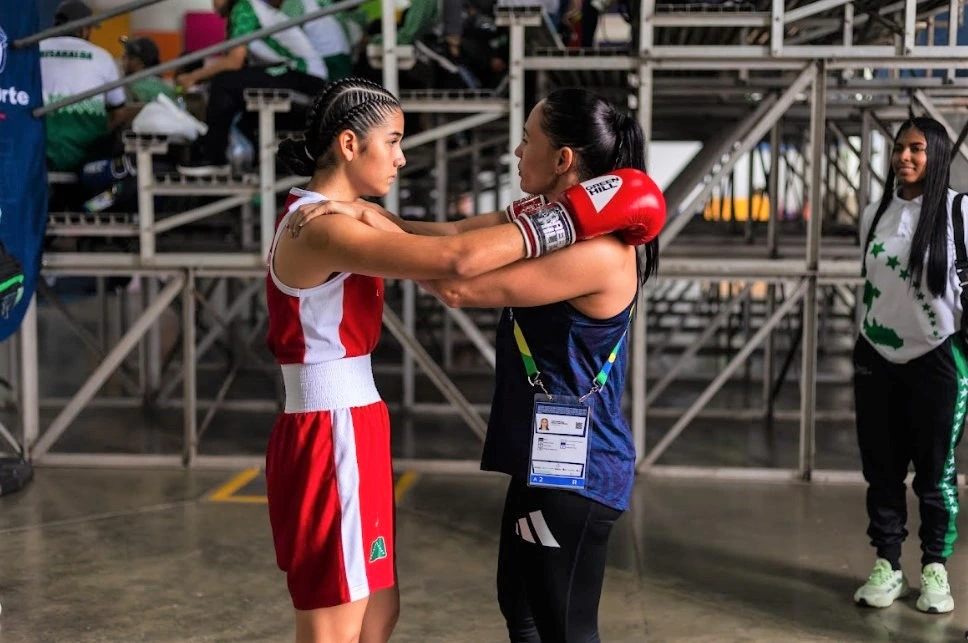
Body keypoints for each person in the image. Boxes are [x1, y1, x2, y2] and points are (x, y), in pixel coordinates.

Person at [265, 77, 665, 643]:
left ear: (563, 158)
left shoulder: (599, 251)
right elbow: (448, 235)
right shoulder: (537, 215)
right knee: (520, 611)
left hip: (580, 466)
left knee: (562, 627)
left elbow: (458, 280)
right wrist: (363, 216)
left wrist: (360, 219)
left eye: (527, 140)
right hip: (537, 455)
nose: (517, 150)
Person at [852, 116, 968, 615]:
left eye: (917, 148)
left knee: (935, 475)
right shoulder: (873, 214)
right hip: (876, 357)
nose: (905, 157)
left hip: (937, 358)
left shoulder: (960, 212)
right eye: (900, 148)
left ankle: (935, 568)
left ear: (936, 154)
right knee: (882, 471)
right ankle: (888, 565)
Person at [175, 0, 329, 176]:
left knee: (224, 83)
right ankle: (247, 163)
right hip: (298, 77)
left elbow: (234, 62)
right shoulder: (250, 8)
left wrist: (192, 77)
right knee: (240, 112)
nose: (213, 3)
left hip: (306, 78)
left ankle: (214, 157)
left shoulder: (244, 8)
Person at [40, 0, 130, 172]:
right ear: (83, 29)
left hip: (40, 150)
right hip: (86, 154)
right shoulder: (102, 57)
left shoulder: (35, 49)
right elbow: (119, 113)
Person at [119, 36, 177, 103]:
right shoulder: (163, 86)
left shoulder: (136, 87)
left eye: (129, 57)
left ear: (141, 62)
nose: (123, 60)